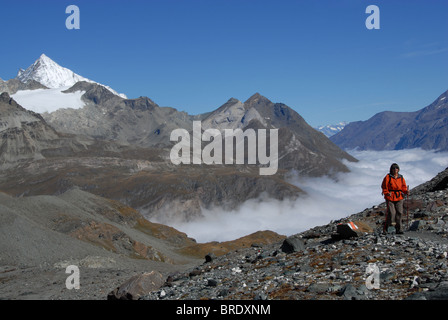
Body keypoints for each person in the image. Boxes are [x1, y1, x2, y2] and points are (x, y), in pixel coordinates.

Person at [381, 163, 408, 234]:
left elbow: (403, 187)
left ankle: (399, 229)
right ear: (391, 169)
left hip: (399, 196)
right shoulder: (388, 177)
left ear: (398, 169)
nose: (395, 170)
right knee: (392, 213)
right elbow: (384, 186)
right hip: (390, 196)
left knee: (399, 212)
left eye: (396, 168)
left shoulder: (401, 177)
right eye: (394, 168)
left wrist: (406, 191)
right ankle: (387, 227)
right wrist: (386, 193)